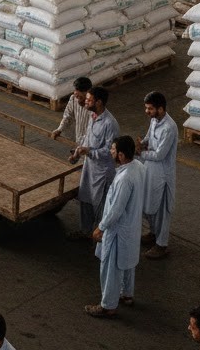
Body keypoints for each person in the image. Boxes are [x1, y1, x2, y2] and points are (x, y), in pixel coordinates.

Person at [87, 135, 145, 318]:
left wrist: (101, 227)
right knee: (127, 263)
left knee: (110, 268)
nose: (110, 152)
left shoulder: (123, 179)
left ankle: (108, 305)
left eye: (112, 150)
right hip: (132, 226)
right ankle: (126, 294)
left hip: (118, 229)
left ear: (120, 155)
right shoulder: (139, 167)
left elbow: (116, 209)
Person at [69, 86, 118, 242]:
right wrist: (78, 153)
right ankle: (85, 231)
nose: (86, 102)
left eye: (89, 100)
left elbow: (109, 150)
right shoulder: (92, 115)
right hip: (89, 167)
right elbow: (87, 138)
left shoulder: (110, 124)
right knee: (85, 198)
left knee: (100, 205)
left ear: (99, 102)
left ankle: (101, 236)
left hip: (102, 172)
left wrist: (89, 151)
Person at [138, 91, 178, 260]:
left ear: (161, 109)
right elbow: (148, 138)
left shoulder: (169, 128)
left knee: (161, 210)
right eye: (146, 108)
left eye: (150, 109)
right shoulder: (155, 120)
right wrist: (141, 144)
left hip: (162, 173)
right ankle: (153, 233)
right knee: (149, 205)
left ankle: (161, 245)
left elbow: (160, 155)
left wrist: (140, 153)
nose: (147, 112)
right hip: (150, 170)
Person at [51, 77, 92, 144]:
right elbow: (67, 116)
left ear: (88, 92)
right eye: (76, 89)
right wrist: (59, 129)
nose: (76, 93)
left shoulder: (93, 106)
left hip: (90, 141)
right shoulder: (73, 99)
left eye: (80, 91)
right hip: (78, 138)